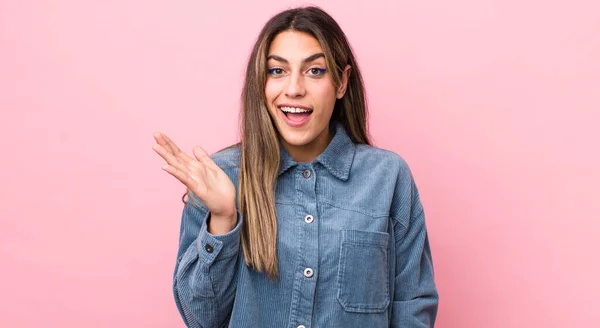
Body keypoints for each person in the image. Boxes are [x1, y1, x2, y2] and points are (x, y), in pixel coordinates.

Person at [152, 6, 438, 328]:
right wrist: (223, 219)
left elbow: (412, 308)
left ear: (342, 83)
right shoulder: (220, 177)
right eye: (278, 71)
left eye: (315, 71)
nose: (294, 89)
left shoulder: (388, 178)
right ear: (261, 82)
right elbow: (201, 318)